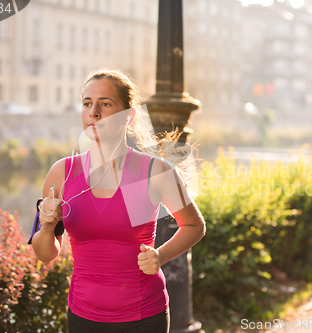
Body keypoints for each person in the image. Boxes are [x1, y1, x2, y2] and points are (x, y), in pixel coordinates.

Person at [29, 68, 206, 332]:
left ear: (129, 116)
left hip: (144, 316)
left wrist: (159, 255)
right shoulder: (61, 173)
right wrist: (45, 227)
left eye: (105, 104)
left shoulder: (154, 172)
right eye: (87, 103)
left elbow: (194, 225)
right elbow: (45, 254)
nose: (94, 113)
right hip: (82, 316)